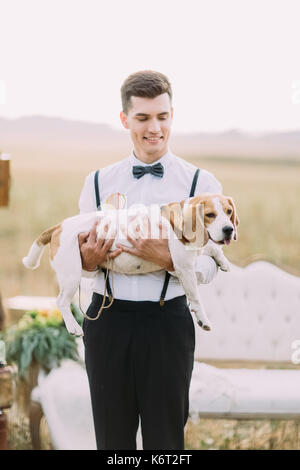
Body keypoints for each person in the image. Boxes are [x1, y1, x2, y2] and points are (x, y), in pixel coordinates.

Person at [78, 70, 222, 450]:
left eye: (162, 116)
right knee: (112, 443)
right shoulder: (96, 183)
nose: (154, 127)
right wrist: (87, 262)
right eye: (142, 118)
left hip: (167, 324)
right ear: (125, 120)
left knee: (165, 443)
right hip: (106, 321)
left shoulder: (200, 184)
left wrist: (169, 258)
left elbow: (208, 266)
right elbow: (79, 261)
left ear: (172, 116)